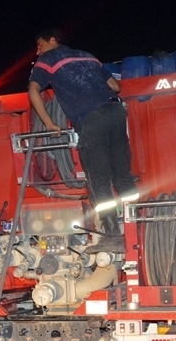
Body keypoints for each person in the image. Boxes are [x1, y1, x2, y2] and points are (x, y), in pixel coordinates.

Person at [28, 28, 138, 253]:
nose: (37, 51)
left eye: (40, 44)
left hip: (92, 118)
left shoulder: (48, 59)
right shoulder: (88, 55)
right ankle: (137, 226)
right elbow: (116, 87)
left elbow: (33, 91)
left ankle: (113, 236)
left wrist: (49, 123)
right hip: (116, 112)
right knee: (121, 174)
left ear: (52, 40)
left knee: (97, 178)